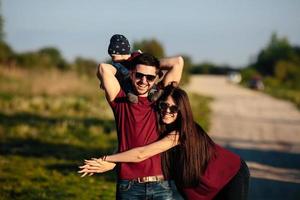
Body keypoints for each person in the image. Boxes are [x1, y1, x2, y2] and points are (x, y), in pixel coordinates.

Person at [79, 84, 250, 200]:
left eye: (173, 108)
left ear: (182, 111)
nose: (167, 111)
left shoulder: (180, 133)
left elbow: (141, 153)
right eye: (163, 106)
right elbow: (138, 146)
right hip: (206, 182)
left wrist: (108, 159)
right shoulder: (162, 126)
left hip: (231, 175)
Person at [84, 52, 184, 199]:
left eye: (150, 77)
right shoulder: (120, 98)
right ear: (131, 73)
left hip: (162, 184)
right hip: (129, 186)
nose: (143, 81)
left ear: (156, 77)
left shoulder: (162, 98)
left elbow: (178, 62)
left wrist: (134, 59)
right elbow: (104, 68)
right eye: (139, 75)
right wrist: (128, 64)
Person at [106, 34, 163, 103]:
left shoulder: (136, 57)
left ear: (120, 54)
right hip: (131, 80)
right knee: (126, 84)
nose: (112, 59)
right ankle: (132, 95)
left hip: (140, 77)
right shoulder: (119, 64)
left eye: (113, 56)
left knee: (148, 80)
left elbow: (149, 64)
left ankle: (154, 93)